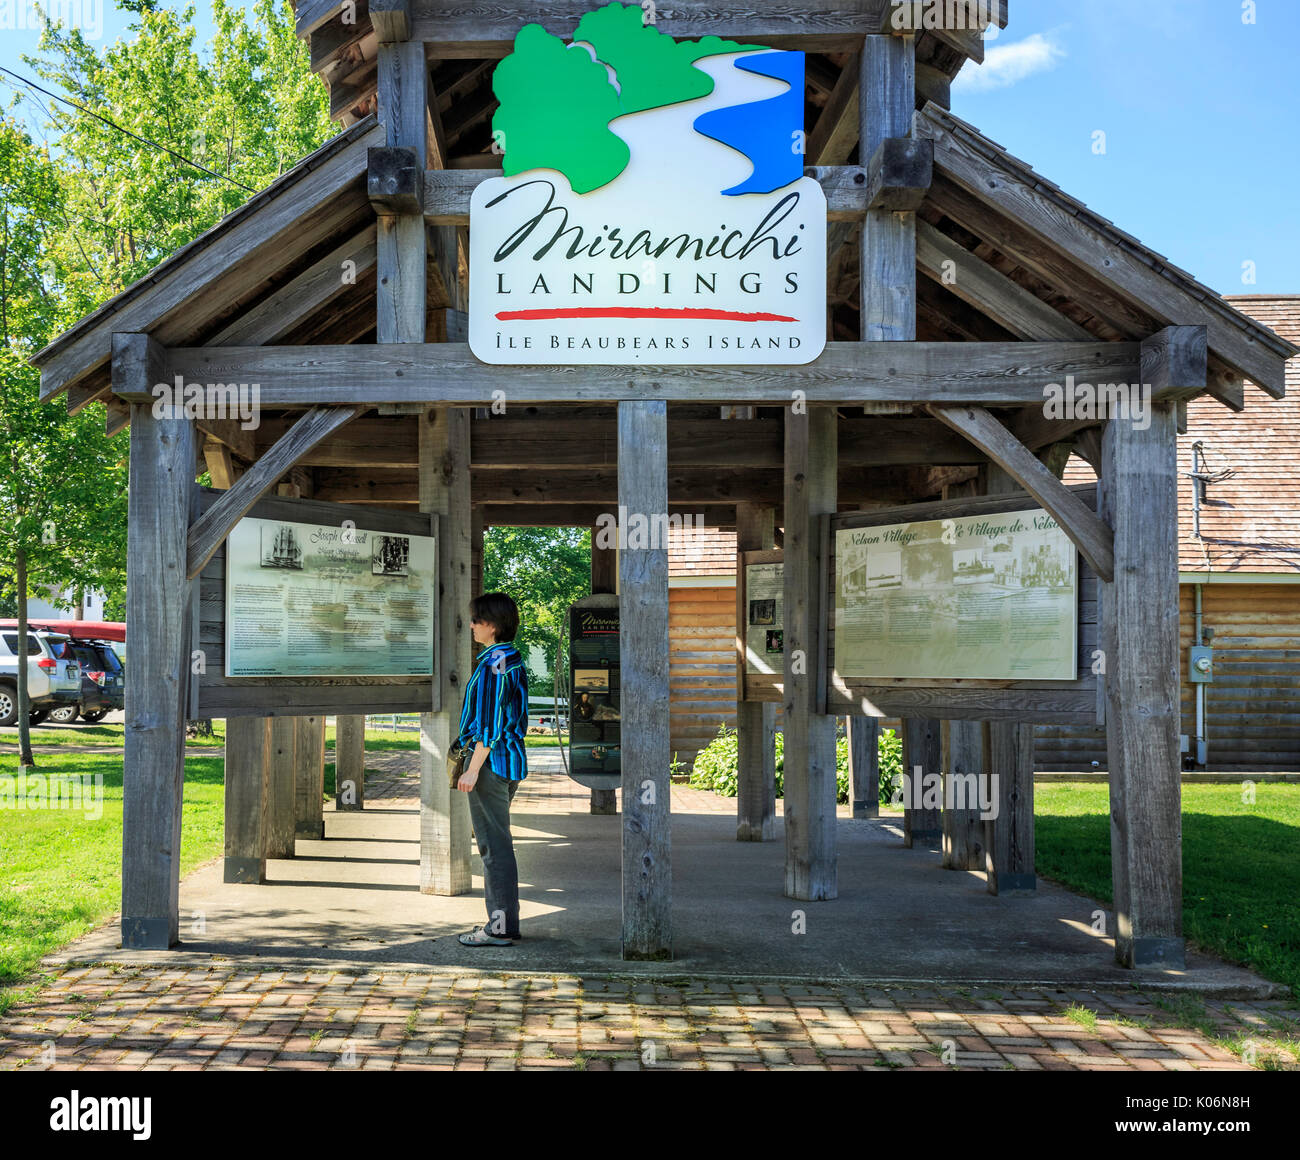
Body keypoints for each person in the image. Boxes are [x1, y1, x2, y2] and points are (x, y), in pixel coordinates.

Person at [455, 593, 529, 947]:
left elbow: (490, 724)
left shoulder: (493, 664)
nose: (471, 625)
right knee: (497, 844)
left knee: (493, 847)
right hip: (508, 762)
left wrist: (472, 770)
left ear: (493, 625)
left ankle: (499, 928)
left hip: (490, 765)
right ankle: (504, 921)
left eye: (476, 620)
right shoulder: (511, 658)